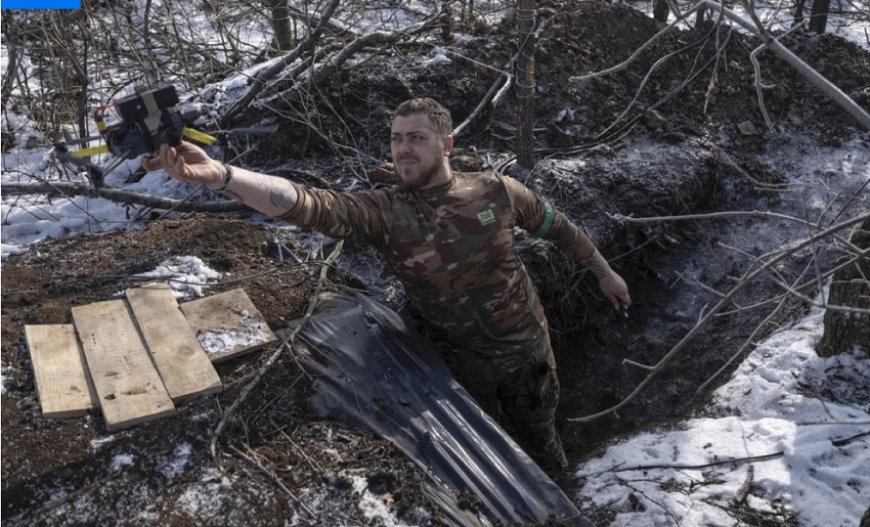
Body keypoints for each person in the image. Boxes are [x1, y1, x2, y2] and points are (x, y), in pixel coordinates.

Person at [144, 97, 631, 476]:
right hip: (456, 370)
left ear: (446, 144)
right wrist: (224, 175)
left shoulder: (495, 190)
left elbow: (558, 228)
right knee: (489, 459)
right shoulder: (385, 211)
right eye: (396, 139)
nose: (402, 149)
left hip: (527, 351)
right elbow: (308, 204)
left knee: (543, 445)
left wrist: (604, 272)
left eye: (416, 138)